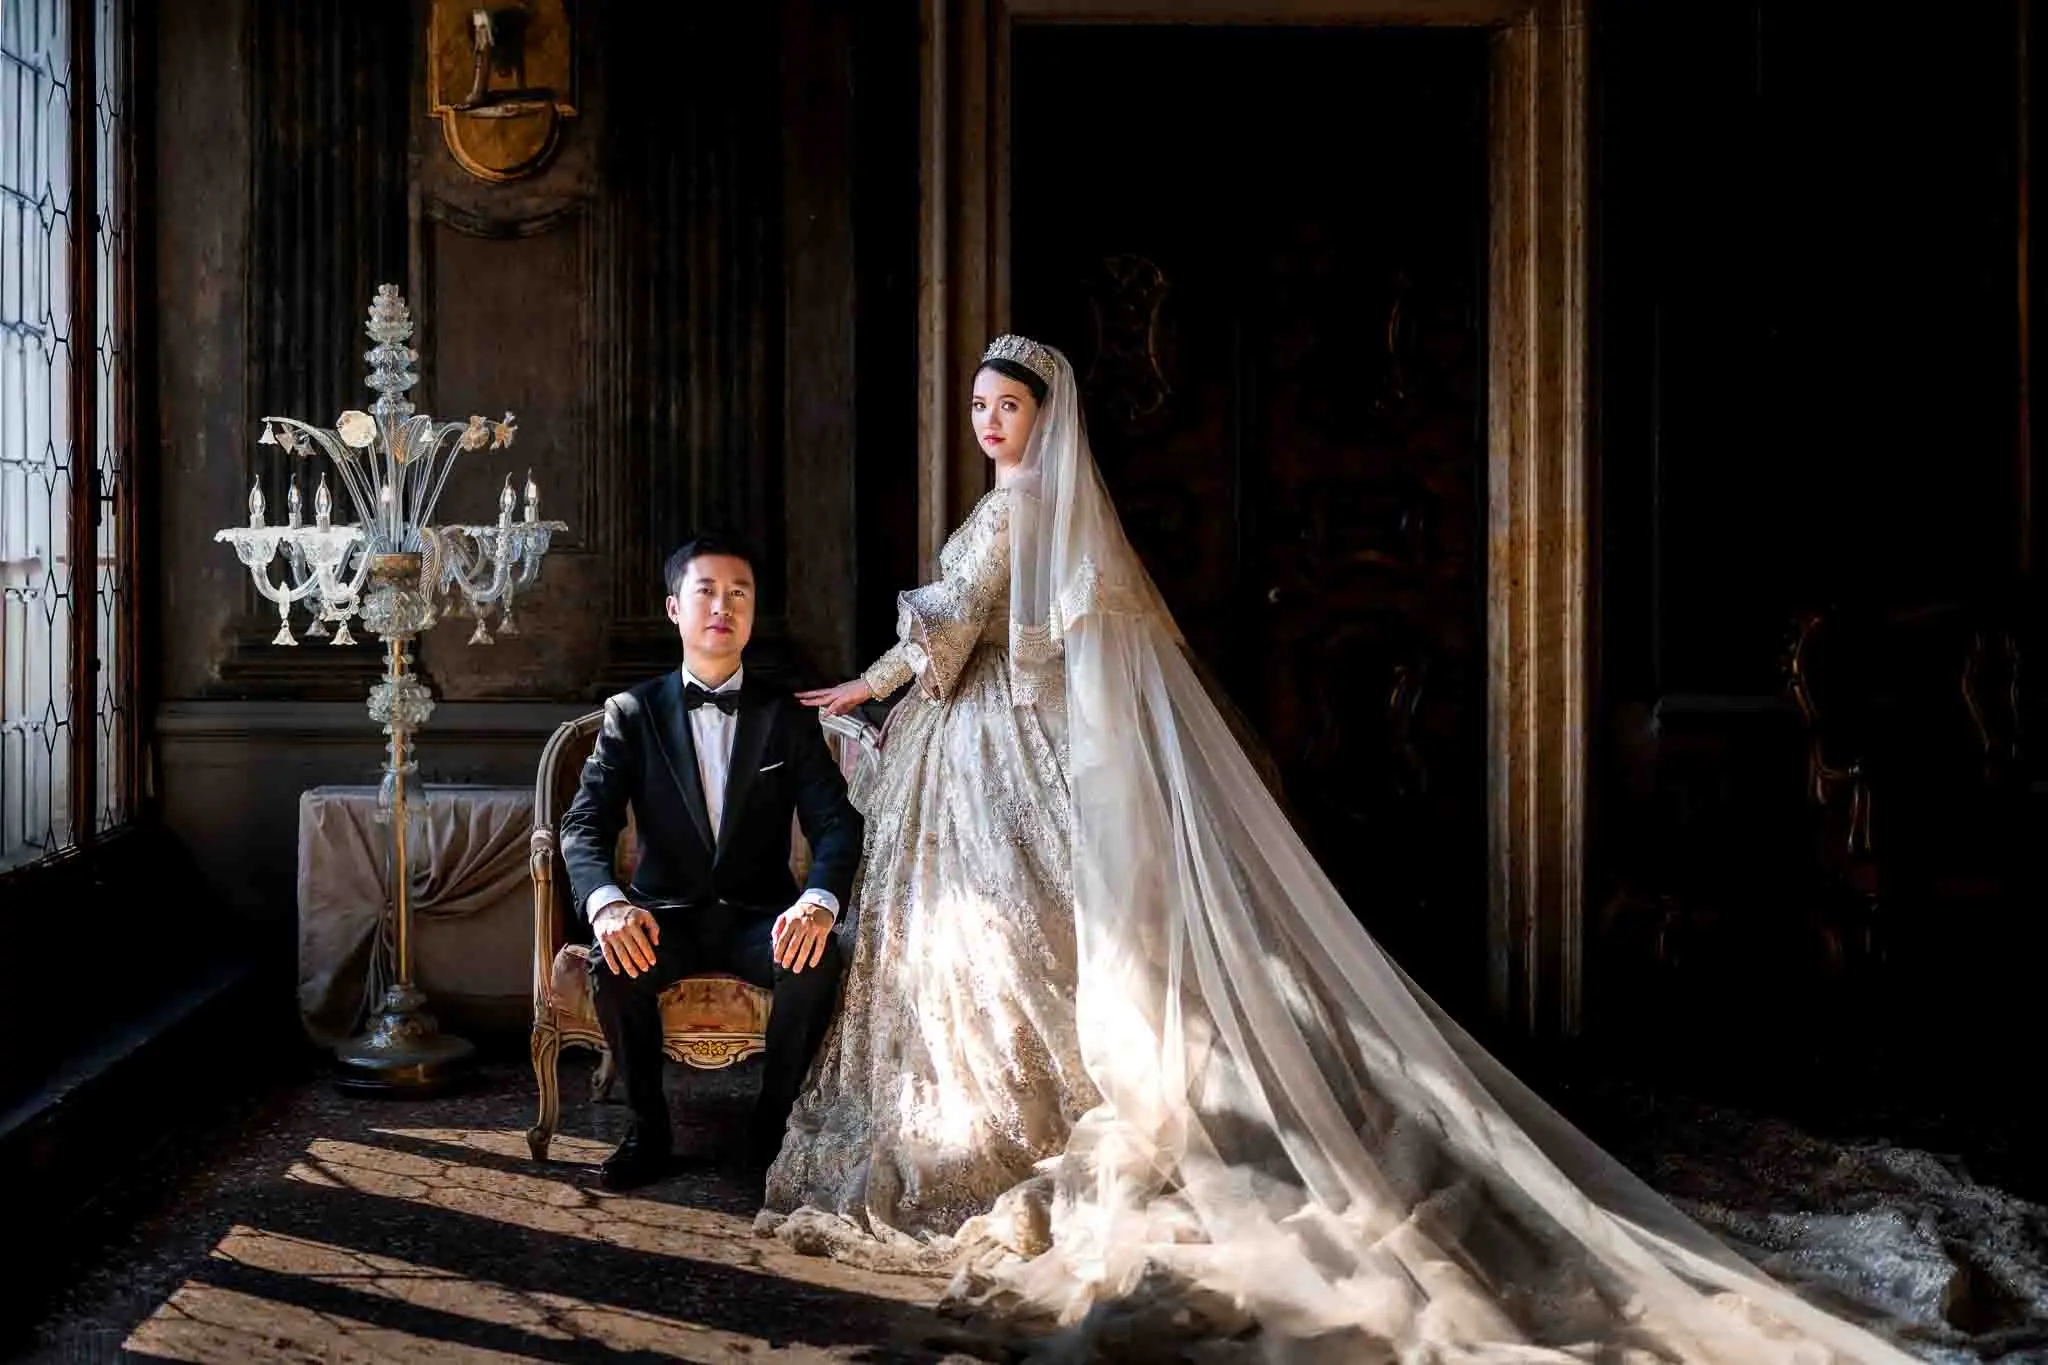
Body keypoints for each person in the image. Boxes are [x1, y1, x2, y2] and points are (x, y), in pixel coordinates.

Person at [762, 335, 1921, 1363]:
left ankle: (1007, 1133)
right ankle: (1011, 1117)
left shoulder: (1022, 509)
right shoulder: (1029, 506)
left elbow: (954, 623)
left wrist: (862, 686)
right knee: (1014, 945)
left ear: (1043, 419)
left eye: (1003, 408)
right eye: (976, 407)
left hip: (994, 741)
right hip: (993, 745)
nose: (986, 423)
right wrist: (882, 688)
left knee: (1016, 945)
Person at [559, 533, 863, 1191]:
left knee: (817, 957)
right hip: (663, 914)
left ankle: (772, 1126)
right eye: (707, 591)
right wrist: (609, 905)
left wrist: (816, 901)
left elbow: (837, 824)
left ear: (752, 613)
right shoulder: (632, 714)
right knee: (614, 959)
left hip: (761, 917)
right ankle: (650, 1129)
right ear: (675, 609)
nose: (724, 606)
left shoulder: (783, 716)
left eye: (739, 594)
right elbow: (584, 826)